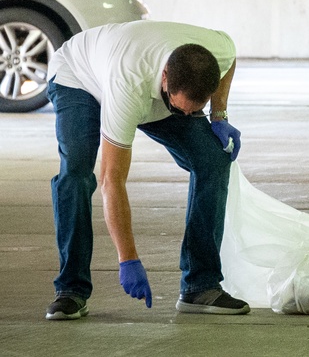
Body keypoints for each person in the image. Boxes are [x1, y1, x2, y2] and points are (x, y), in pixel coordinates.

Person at [44, 20, 250, 320]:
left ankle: (200, 285)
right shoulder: (128, 85)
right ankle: (70, 289)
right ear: (165, 78)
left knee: (213, 160)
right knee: (76, 173)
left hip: (144, 79)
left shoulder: (216, 49)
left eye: (195, 110)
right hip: (78, 77)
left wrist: (217, 114)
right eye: (180, 109)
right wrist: (128, 259)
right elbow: (111, 179)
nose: (187, 117)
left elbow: (230, 59)